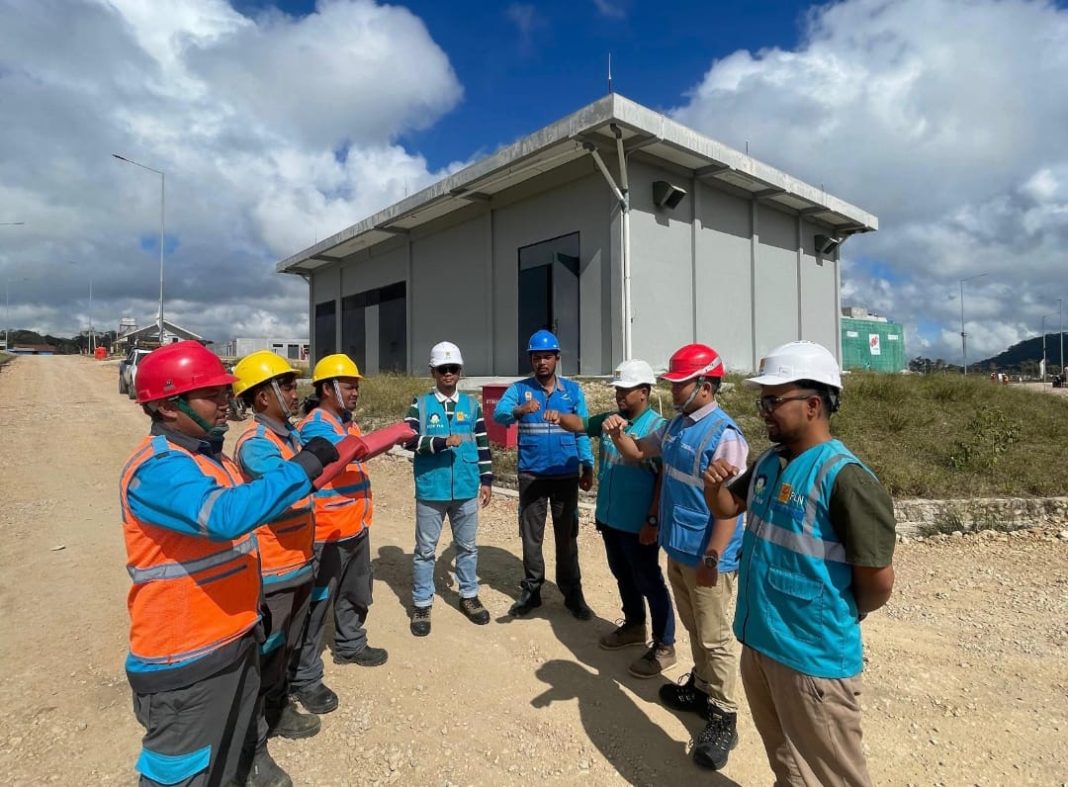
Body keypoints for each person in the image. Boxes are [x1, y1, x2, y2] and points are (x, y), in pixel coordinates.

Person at [120, 341, 339, 787]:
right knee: (188, 774)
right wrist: (303, 468)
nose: (225, 402)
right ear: (165, 405)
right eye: (212, 394)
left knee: (233, 751)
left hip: (234, 635)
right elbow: (227, 516)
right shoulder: (158, 468)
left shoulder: (212, 458)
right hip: (185, 659)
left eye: (224, 391)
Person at [703, 340, 897, 787]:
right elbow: (730, 506)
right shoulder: (770, 461)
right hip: (761, 644)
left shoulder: (845, 479)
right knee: (786, 762)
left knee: (834, 777)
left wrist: (842, 609)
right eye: (762, 400)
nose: (763, 410)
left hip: (810, 662)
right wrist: (714, 491)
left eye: (774, 400)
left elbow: (877, 583)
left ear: (813, 405)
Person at [605, 343, 748, 772]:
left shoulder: (725, 435)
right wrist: (617, 433)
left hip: (707, 557)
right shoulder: (675, 428)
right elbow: (636, 453)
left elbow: (732, 505)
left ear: (705, 385)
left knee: (715, 636)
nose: (673, 388)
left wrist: (713, 558)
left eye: (680, 382)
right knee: (694, 627)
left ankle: (724, 714)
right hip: (680, 547)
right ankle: (702, 688)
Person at [551, 359, 676, 677]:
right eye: (618, 389)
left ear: (645, 392)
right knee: (623, 576)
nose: (620, 394)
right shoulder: (609, 420)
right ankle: (634, 626)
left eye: (626, 389)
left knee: (650, 582)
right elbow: (579, 424)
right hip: (610, 519)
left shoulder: (657, 429)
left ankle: (665, 644)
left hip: (638, 525)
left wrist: (652, 520)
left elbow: (663, 478)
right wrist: (557, 417)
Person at [232, 351, 321, 783]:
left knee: (285, 648)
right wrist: (317, 468)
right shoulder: (255, 444)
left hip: (299, 563)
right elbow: (289, 494)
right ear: (263, 397)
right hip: (273, 573)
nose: (293, 392)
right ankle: (254, 747)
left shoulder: (289, 435)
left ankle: (278, 706)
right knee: (264, 655)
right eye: (285, 386)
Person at [291, 354, 384, 716]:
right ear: (328, 388)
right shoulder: (317, 426)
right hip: (328, 532)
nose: (355, 391)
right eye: (348, 385)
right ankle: (305, 677)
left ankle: (350, 644)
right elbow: (347, 456)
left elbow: (360, 453)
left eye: (356, 385)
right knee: (316, 607)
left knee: (355, 593)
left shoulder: (348, 423)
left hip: (355, 526)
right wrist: (390, 435)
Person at [492, 329, 595, 619]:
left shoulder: (572, 392)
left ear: (557, 358)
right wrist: (519, 410)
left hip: (565, 475)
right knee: (531, 537)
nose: (542, 362)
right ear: (531, 359)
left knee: (567, 537)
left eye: (547, 356)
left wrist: (587, 465)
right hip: (532, 475)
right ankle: (532, 591)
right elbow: (498, 415)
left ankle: (572, 593)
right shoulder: (519, 390)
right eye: (537, 357)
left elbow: (582, 430)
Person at [403, 341, 494, 636]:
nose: (448, 374)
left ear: (460, 371)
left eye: (453, 368)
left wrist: (488, 479)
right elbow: (408, 440)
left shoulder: (472, 406)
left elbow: (482, 443)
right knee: (426, 550)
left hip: (466, 488)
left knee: (467, 547)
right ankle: (421, 602)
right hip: (432, 489)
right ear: (433, 372)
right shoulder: (420, 404)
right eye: (442, 369)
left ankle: (469, 596)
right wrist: (440, 443)